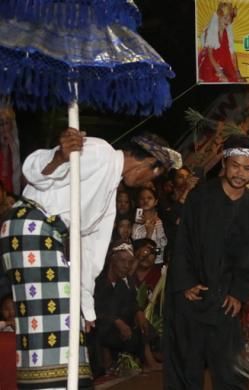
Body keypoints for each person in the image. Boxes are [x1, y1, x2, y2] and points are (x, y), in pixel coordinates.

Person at [0, 129, 180, 388]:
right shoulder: (100, 151)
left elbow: (90, 248)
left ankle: (69, 380)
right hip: (31, 229)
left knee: (65, 318)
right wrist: (60, 157)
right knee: (49, 316)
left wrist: (86, 306)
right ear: (149, 164)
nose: (146, 182)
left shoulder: (109, 189)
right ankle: (50, 382)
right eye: (155, 174)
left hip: (44, 236)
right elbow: (35, 171)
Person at [165, 134, 249, 389]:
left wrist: (238, 293)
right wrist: (186, 282)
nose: (240, 173)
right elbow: (182, 240)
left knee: (230, 369)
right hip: (192, 295)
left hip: (225, 300)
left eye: (246, 168)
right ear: (225, 163)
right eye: (235, 165)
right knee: (186, 365)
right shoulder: (201, 196)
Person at [94, 243, 160, 372]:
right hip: (100, 328)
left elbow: (131, 303)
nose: (126, 266)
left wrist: (139, 312)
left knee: (142, 323)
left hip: (120, 328)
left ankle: (151, 359)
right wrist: (117, 322)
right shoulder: (98, 281)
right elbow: (97, 309)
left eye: (130, 262)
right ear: (112, 260)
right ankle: (106, 363)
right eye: (122, 261)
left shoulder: (123, 282)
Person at [197, 2, 245, 82]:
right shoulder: (211, 31)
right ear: (219, 16)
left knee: (239, 80)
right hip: (211, 66)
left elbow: (232, 54)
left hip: (224, 65)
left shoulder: (228, 33)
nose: (227, 21)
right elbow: (210, 55)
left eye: (229, 19)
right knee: (224, 80)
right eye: (225, 18)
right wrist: (220, 72)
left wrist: (237, 72)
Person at [132, 187, 167, 265]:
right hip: (139, 265)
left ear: (155, 202)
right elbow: (137, 250)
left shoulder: (162, 221)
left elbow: (162, 246)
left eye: (149, 198)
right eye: (142, 198)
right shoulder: (136, 224)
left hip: (158, 263)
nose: (145, 201)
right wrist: (149, 233)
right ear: (138, 202)